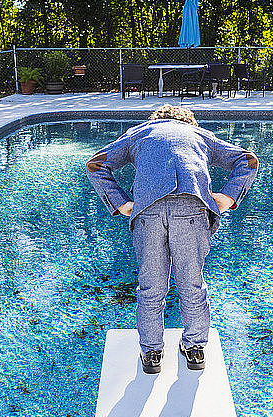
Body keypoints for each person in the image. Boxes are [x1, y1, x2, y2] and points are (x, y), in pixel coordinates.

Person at [85, 105, 258, 373]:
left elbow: (96, 165)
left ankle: (152, 354)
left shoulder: (138, 133)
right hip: (192, 210)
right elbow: (247, 160)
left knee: (150, 289)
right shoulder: (201, 135)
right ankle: (195, 350)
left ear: (156, 120)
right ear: (189, 122)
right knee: (192, 285)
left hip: (149, 214)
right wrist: (229, 197)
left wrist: (121, 204)